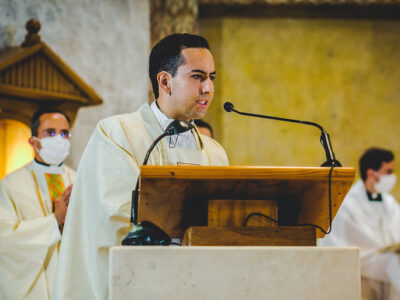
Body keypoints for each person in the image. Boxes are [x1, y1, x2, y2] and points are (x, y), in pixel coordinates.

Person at [53, 33, 229, 300]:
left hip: (201, 286)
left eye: (211, 77)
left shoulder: (215, 153)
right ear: (165, 81)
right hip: (138, 285)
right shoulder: (117, 134)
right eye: (197, 76)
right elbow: (114, 217)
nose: (208, 88)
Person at [0, 109, 75, 300]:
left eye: (64, 133)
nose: (59, 139)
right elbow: (5, 240)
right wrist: (54, 222)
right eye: (50, 132)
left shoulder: (78, 180)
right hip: (35, 288)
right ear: (33, 141)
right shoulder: (11, 185)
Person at [319, 147, 400, 299]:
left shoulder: (390, 202)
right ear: (371, 173)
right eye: (388, 172)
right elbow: (346, 239)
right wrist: (382, 252)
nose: (392, 177)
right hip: (360, 269)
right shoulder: (347, 202)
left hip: (385, 264)